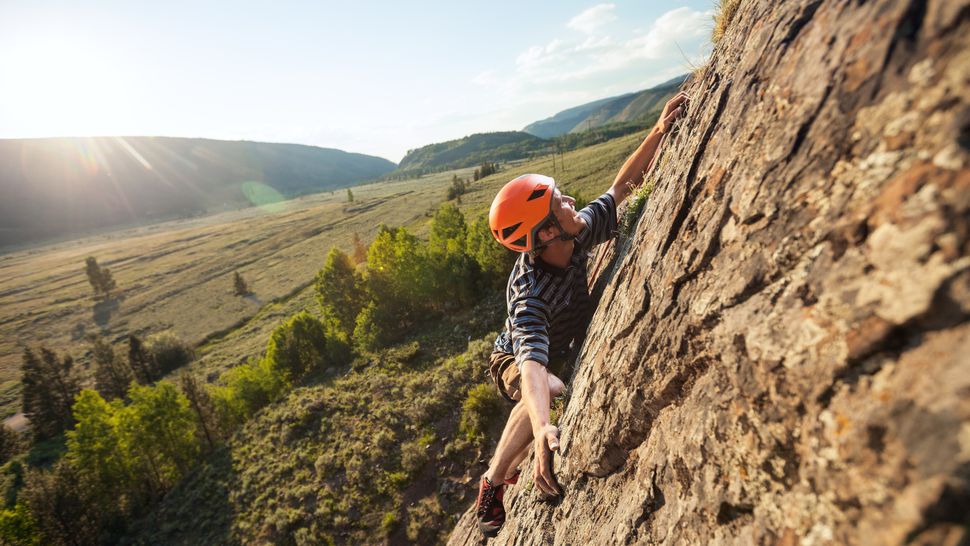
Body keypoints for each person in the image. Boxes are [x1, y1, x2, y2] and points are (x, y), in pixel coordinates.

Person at [475, 92, 689, 537]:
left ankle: (511, 458)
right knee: (550, 385)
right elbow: (532, 368)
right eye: (560, 202)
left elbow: (621, 189)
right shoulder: (529, 294)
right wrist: (543, 432)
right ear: (547, 231)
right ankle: (493, 482)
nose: (571, 199)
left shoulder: (572, 235)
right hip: (513, 359)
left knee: (552, 382)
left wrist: (658, 131)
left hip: (555, 347)